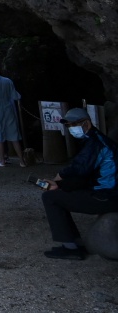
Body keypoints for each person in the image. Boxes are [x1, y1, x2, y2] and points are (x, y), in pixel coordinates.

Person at [41, 106, 117, 260]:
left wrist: (59, 181)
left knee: (50, 198)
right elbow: (85, 175)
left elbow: (79, 169)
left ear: (86, 123)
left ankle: (71, 248)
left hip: (106, 196)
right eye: (69, 126)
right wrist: (60, 185)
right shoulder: (96, 139)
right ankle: (74, 243)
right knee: (57, 194)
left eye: (74, 124)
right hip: (107, 192)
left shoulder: (96, 144)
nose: (71, 128)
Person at [0, 69, 27, 167]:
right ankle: (22, 161)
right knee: (14, 136)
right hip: (9, 109)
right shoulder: (8, 80)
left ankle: (2, 161)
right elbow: (15, 96)